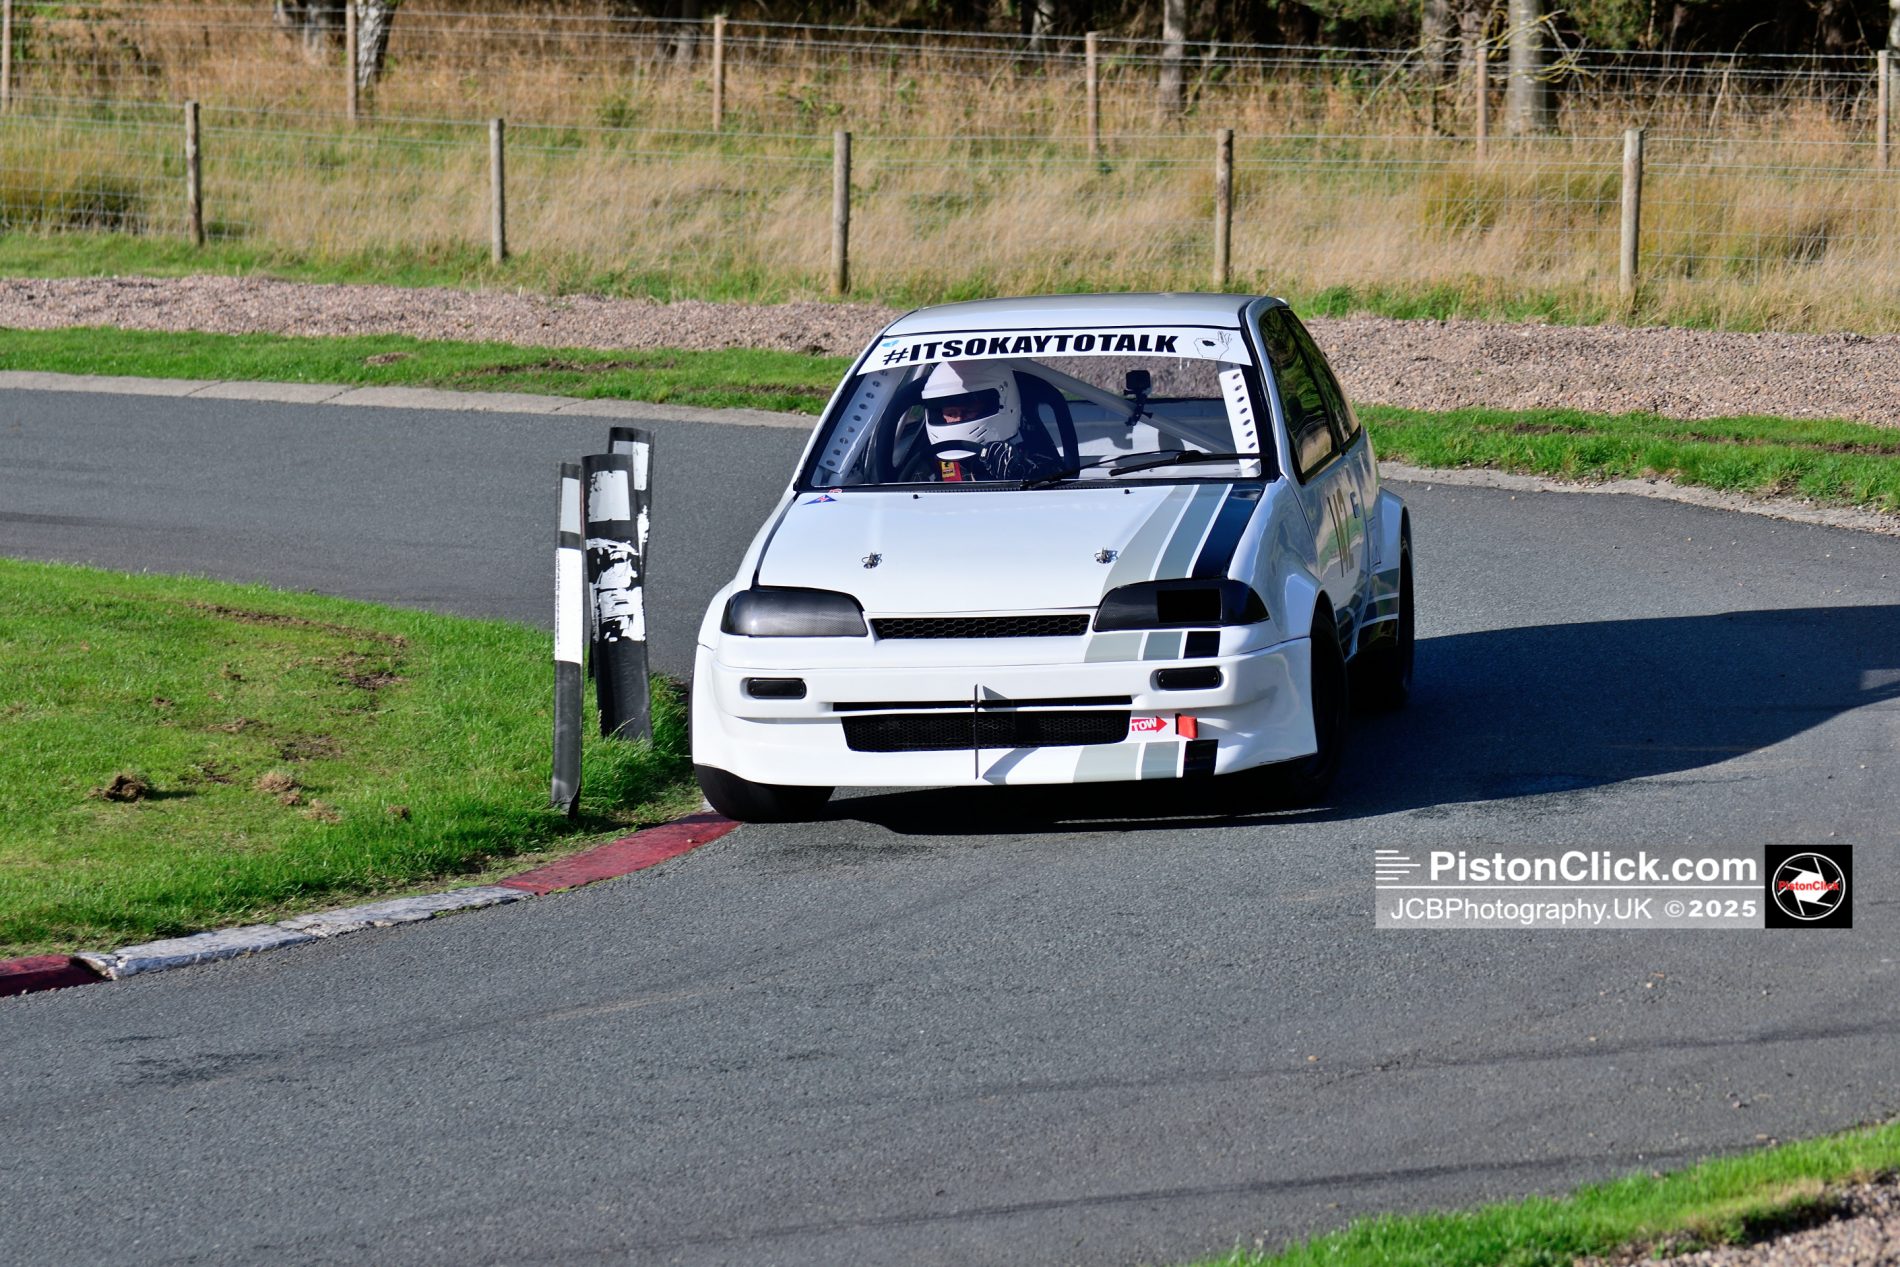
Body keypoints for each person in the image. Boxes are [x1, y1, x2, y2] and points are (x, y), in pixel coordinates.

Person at [909, 361, 1063, 483]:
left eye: (968, 410)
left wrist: (1023, 472)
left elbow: (1058, 483)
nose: (957, 419)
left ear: (1003, 403)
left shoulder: (1027, 449)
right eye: (950, 413)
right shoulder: (933, 457)